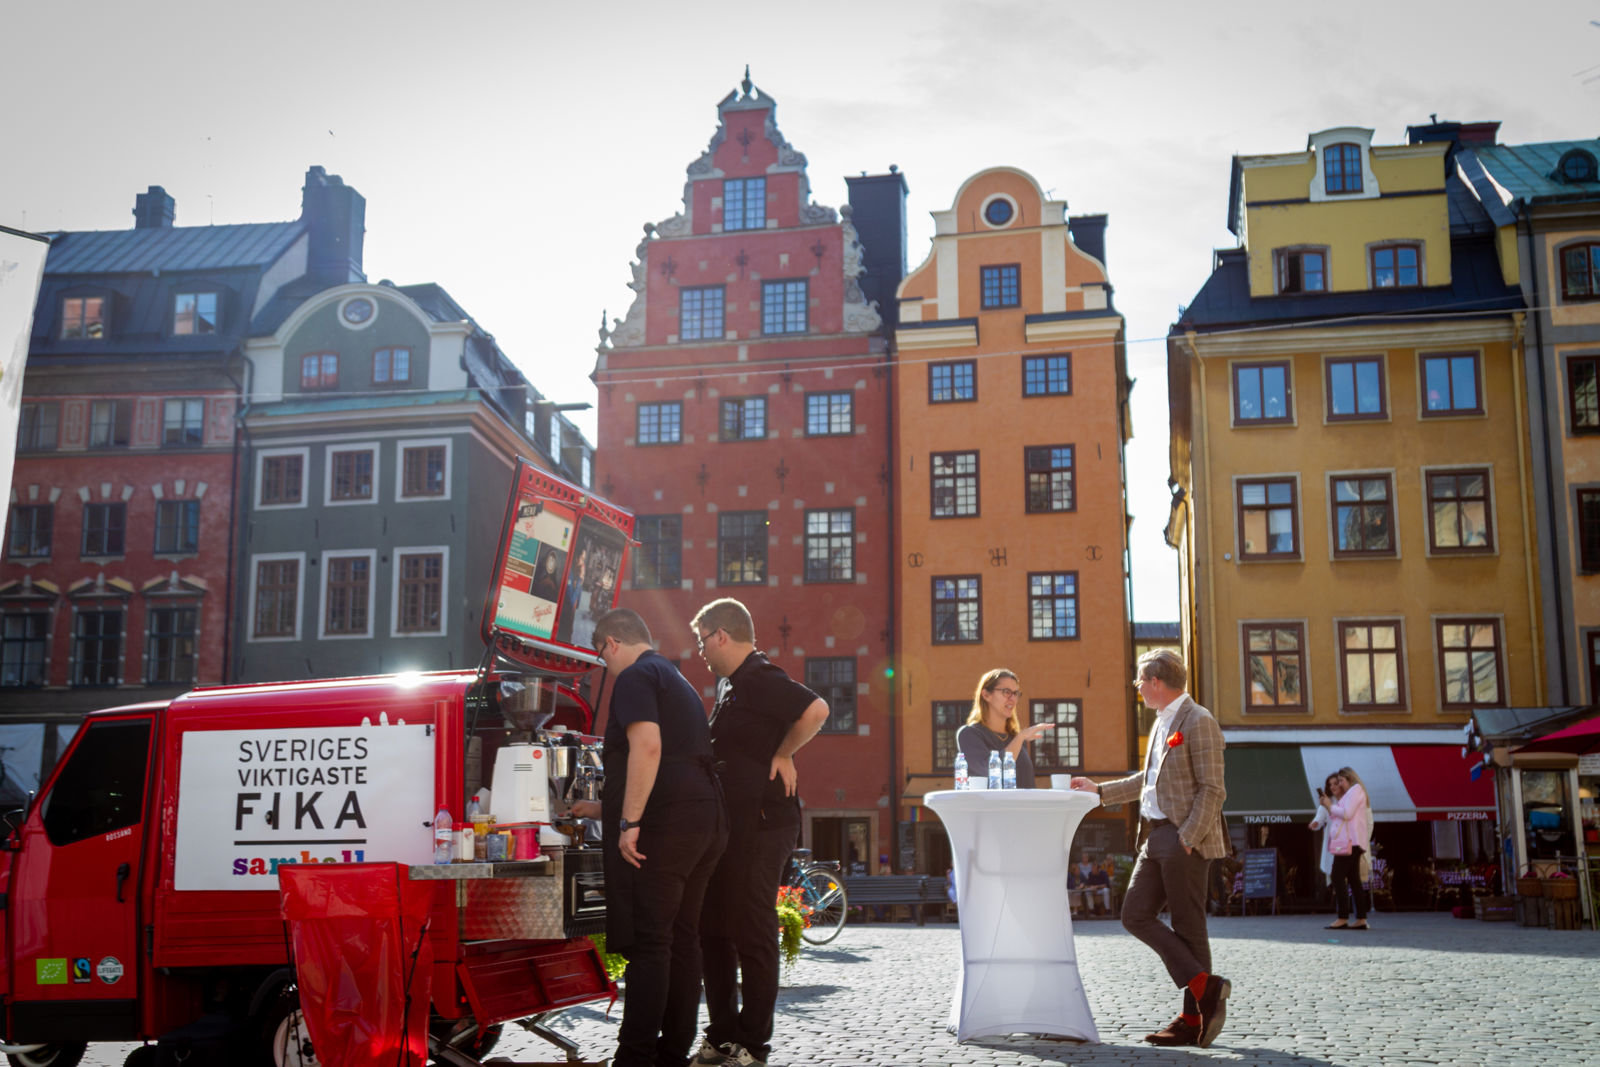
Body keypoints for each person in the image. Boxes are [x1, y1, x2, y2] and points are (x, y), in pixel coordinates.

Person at [569, 608, 727, 1067]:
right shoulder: (673, 677)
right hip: (705, 819)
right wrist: (602, 809)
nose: (604, 666)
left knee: (651, 941)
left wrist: (627, 824)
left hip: (668, 824)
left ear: (612, 643)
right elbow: (672, 758)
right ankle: (671, 1051)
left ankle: (634, 1057)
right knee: (682, 936)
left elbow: (648, 747)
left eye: (601, 656)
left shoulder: (635, 678)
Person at [691, 598, 830, 1067]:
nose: (700, 652)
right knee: (714, 929)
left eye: (702, 641)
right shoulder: (732, 686)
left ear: (722, 635)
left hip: (765, 823)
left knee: (752, 929)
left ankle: (753, 1045)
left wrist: (786, 752)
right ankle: (723, 1036)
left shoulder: (758, 676)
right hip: (733, 826)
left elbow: (816, 709)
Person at [1070, 648, 1230, 1049]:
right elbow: (1150, 779)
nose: (1137, 687)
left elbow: (1213, 789)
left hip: (1182, 838)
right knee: (1135, 914)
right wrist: (1101, 791)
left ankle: (1192, 1019)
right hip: (1155, 836)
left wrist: (1188, 837)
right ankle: (1203, 988)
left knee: (1189, 929)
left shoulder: (1199, 720)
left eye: (1140, 681)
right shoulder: (1162, 722)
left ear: (1157, 682)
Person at [954, 669, 1053, 789]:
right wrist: (1020, 737)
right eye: (1007, 692)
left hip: (1025, 807)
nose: (1013, 699)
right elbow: (990, 772)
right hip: (991, 807)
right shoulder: (969, 734)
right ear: (986, 695)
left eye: (1016, 693)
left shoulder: (1016, 739)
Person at [1316, 766, 1373, 930]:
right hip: (1353, 842)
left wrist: (1329, 805)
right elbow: (1339, 815)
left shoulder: (1356, 791)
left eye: (1341, 780)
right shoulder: (1352, 793)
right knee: (1354, 880)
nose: (1339, 784)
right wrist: (1328, 806)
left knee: (1337, 876)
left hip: (1350, 842)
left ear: (1349, 779)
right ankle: (1361, 918)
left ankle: (1342, 917)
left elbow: (1346, 813)